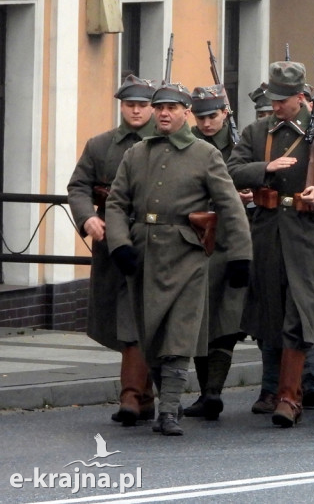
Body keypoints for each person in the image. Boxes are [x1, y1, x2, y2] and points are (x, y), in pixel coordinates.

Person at [105, 82, 252, 436]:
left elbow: (230, 207)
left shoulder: (205, 154)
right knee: (151, 336)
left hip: (187, 254)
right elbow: (116, 203)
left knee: (179, 336)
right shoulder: (136, 154)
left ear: (187, 112)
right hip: (143, 253)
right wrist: (120, 245)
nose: (165, 113)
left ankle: (169, 410)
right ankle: (163, 399)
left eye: (173, 108)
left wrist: (240, 256)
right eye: (160, 108)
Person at [228, 61, 314, 428]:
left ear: (300, 97)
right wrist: (265, 169)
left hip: (310, 233)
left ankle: (290, 396)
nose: (277, 106)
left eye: (283, 100)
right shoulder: (257, 132)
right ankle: (272, 390)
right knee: (271, 311)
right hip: (268, 231)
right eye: (273, 99)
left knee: (302, 312)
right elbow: (231, 170)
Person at [67, 75, 157, 426]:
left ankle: (135, 395)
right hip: (111, 243)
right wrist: (88, 218)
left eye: (143, 104)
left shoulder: (169, 145)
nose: (136, 110)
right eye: (130, 104)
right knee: (122, 317)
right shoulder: (100, 145)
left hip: (156, 243)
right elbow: (78, 186)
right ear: (121, 105)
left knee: (144, 317)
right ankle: (140, 394)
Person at [181, 85, 252, 421]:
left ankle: (213, 391)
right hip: (195, 239)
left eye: (213, 116)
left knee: (226, 319)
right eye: (201, 116)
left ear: (225, 114)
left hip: (231, 241)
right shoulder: (187, 144)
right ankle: (203, 392)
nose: (207, 123)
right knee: (200, 319)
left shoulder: (241, 147)